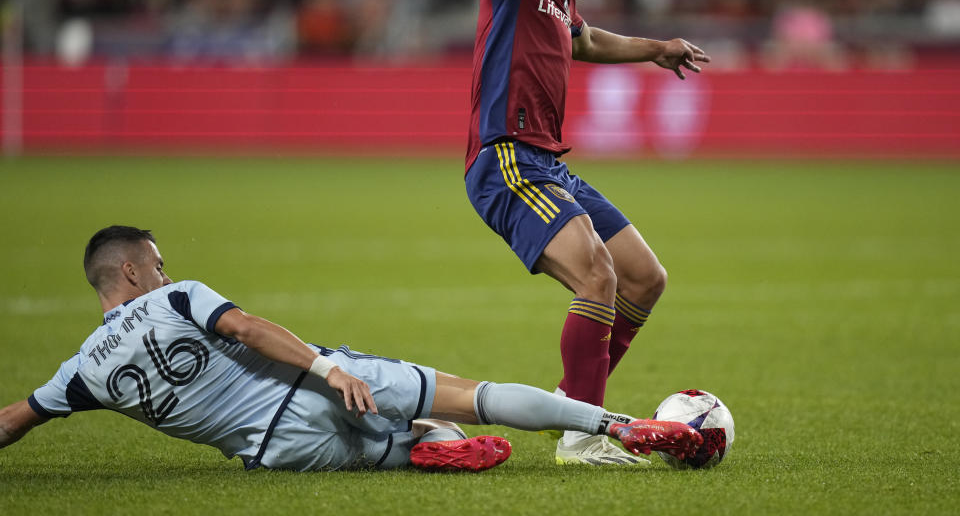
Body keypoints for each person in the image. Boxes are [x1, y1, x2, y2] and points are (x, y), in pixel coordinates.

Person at [0, 226, 700, 472]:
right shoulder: (175, 296)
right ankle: (616, 426)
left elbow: (12, 421)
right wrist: (326, 366)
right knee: (472, 396)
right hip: (322, 384)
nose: (162, 268)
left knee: (414, 447)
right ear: (129, 272)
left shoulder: (79, 374)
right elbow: (244, 329)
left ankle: (419, 447)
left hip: (277, 449)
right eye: (153, 262)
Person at [452, 0, 711, 465]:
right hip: (506, 159)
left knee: (645, 278)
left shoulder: (562, 2)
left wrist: (654, 47)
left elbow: (585, 40)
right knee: (597, 276)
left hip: (548, 162)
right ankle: (582, 436)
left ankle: (568, 402)